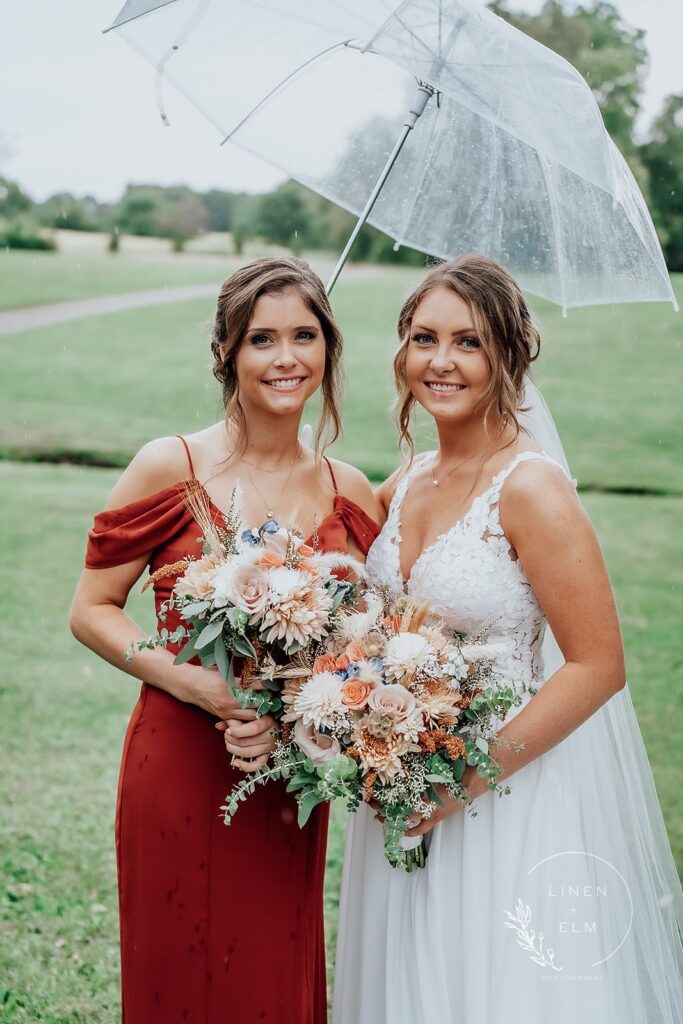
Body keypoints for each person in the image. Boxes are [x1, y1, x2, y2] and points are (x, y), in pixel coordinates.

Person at [333, 254, 683, 1023]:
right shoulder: (405, 481)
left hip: (500, 794)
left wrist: (454, 786)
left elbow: (597, 666)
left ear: (508, 356)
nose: (441, 361)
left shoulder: (530, 487)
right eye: (423, 337)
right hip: (397, 787)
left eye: (469, 342)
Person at [69, 257, 380, 1024]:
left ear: (329, 350)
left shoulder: (350, 489)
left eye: (304, 336)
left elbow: (356, 651)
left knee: (269, 972)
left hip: (283, 773)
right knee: (175, 964)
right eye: (261, 339)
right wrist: (192, 682)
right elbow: (92, 609)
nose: (285, 358)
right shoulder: (168, 465)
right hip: (176, 753)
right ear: (226, 353)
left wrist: (298, 710)